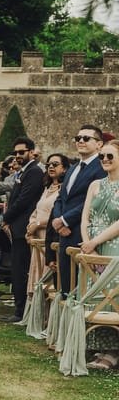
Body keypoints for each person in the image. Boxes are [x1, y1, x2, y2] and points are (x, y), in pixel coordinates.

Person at [52, 124, 107, 295]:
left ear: (99, 144)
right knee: (66, 286)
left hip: (84, 233)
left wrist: (66, 220)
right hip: (63, 234)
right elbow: (61, 197)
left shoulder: (102, 167)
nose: (80, 141)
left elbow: (92, 201)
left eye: (86, 138)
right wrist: (58, 220)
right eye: (77, 138)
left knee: (81, 287)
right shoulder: (73, 168)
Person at [79, 140, 119, 370]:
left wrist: (96, 241)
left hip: (114, 245)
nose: (104, 160)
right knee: (93, 294)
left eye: (110, 157)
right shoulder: (95, 184)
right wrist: (88, 243)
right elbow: (85, 217)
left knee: (111, 295)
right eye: (102, 156)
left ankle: (113, 351)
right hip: (91, 246)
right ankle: (97, 347)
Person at [0, 138, 43, 323]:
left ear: (31, 152)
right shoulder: (23, 172)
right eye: (16, 152)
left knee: (21, 269)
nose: (18, 155)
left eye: (22, 152)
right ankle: (20, 308)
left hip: (23, 227)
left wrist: (6, 218)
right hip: (17, 226)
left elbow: (24, 200)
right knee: (17, 269)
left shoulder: (33, 172)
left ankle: (21, 311)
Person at [25, 154, 68, 296]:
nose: (50, 167)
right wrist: (31, 228)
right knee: (36, 276)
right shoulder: (47, 188)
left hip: (49, 237)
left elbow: (55, 216)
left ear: (65, 168)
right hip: (38, 240)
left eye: (55, 164)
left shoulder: (64, 189)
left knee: (48, 279)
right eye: (48, 164)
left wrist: (37, 224)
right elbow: (36, 211)